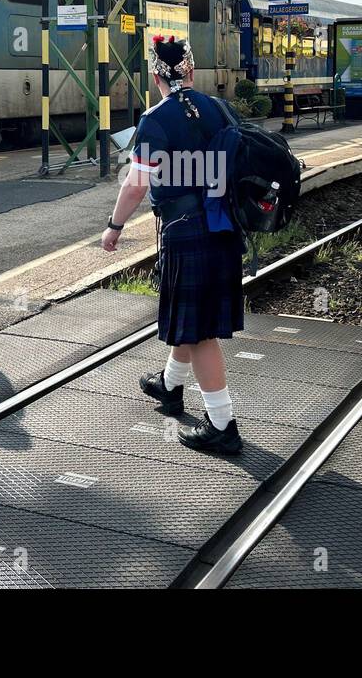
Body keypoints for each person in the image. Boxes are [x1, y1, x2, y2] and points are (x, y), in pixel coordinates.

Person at [102, 35, 245, 455]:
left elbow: (135, 184)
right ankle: (169, 384)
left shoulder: (155, 119)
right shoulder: (219, 108)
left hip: (185, 231)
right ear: (192, 71)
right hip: (224, 226)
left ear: (155, 77)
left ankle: (222, 425)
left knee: (200, 333)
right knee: (193, 318)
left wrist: (114, 226)